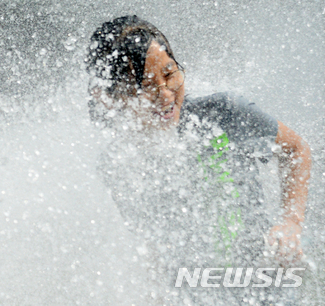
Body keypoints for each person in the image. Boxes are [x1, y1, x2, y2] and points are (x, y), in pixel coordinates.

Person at [86, 16, 311, 305]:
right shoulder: (118, 163)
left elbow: (297, 150)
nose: (165, 96)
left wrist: (291, 222)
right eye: (146, 86)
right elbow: (153, 246)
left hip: (265, 289)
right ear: (110, 97)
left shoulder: (223, 113)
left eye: (169, 75)